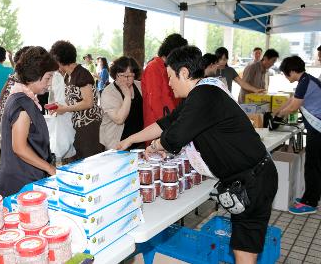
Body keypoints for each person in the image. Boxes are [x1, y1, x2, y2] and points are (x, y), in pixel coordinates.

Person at [118, 45, 278, 264]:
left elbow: (173, 138)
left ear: (184, 73)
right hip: (250, 177)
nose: (169, 83)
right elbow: (166, 124)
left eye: (170, 77)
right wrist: (130, 139)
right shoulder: (201, 94)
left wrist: (154, 146)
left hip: (253, 180)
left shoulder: (205, 95)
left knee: (244, 247)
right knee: (244, 246)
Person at [0, 46, 57, 197]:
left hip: (22, 176)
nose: (49, 83)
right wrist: (49, 168)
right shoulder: (23, 104)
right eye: (48, 77)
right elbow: (19, 148)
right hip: (22, 181)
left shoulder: (21, 97)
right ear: (35, 75)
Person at [275, 55, 321, 215]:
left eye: (286, 73)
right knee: (316, 164)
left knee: (312, 165)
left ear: (293, 71)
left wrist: (278, 117)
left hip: (318, 129)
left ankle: (310, 202)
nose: (285, 76)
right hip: (317, 128)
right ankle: (313, 196)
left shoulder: (305, 82)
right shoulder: (305, 80)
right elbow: (291, 100)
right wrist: (278, 110)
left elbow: (293, 106)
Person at [50, 41, 103, 160]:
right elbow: (73, 100)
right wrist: (58, 107)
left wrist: (64, 109)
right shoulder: (68, 75)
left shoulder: (81, 74)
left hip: (88, 125)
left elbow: (88, 102)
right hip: (77, 126)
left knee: (89, 162)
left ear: (58, 60)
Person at [141, 33, 187, 128]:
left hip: (172, 120)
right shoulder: (153, 67)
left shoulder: (170, 67)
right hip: (159, 124)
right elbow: (154, 100)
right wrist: (166, 125)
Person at [100, 56, 143, 150]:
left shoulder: (139, 86)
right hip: (118, 143)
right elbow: (119, 119)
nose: (126, 79)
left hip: (139, 141)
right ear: (116, 74)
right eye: (123, 75)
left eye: (130, 76)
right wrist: (127, 96)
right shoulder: (109, 92)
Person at [0, 46, 33, 122]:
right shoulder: (21, 78)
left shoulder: (14, 76)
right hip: (11, 116)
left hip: (6, 114)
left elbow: (2, 93)